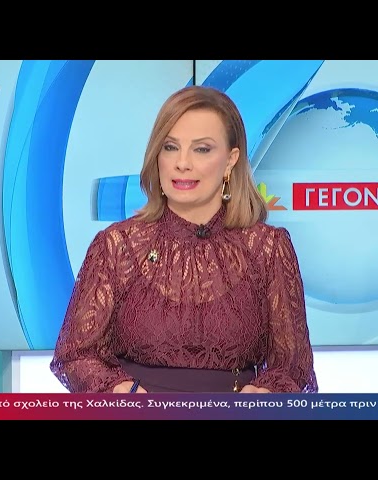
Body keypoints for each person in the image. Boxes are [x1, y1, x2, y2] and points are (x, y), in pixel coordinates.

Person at [50, 85, 318, 394]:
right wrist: (117, 390)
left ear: (230, 160)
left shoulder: (267, 249)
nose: (182, 163)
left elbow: (292, 364)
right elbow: (76, 354)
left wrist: (266, 393)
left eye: (201, 149)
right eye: (170, 147)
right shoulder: (117, 246)